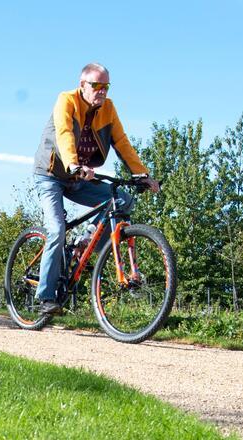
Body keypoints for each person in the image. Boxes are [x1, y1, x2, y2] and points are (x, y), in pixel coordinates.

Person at [32, 63, 160, 315]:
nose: (101, 91)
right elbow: (65, 133)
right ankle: (45, 297)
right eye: (96, 86)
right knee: (56, 230)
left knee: (122, 201)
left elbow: (122, 143)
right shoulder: (66, 100)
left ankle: (86, 241)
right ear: (83, 85)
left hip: (80, 178)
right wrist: (72, 164)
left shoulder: (108, 109)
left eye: (106, 87)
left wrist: (142, 175)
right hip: (51, 176)